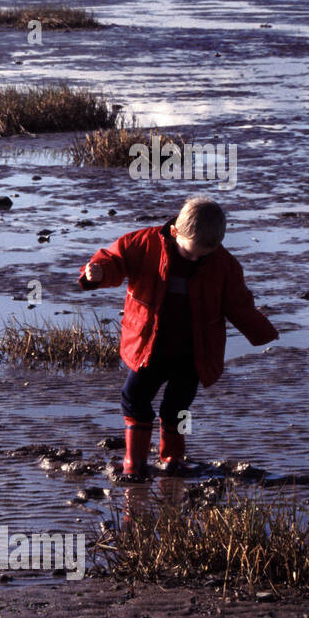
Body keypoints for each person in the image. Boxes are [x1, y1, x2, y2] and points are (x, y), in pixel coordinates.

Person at [77, 195, 279, 480]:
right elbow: (113, 260)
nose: (196, 259)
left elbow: (238, 304)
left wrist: (262, 332)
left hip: (194, 353)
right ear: (174, 232)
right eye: (190, 253)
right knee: (133, 399)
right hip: (151, 347)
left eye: (203, 255)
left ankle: (174, 459)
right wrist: (97, 273)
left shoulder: (224, 265)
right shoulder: (144, 243)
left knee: (178, 409)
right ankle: (134, 465)